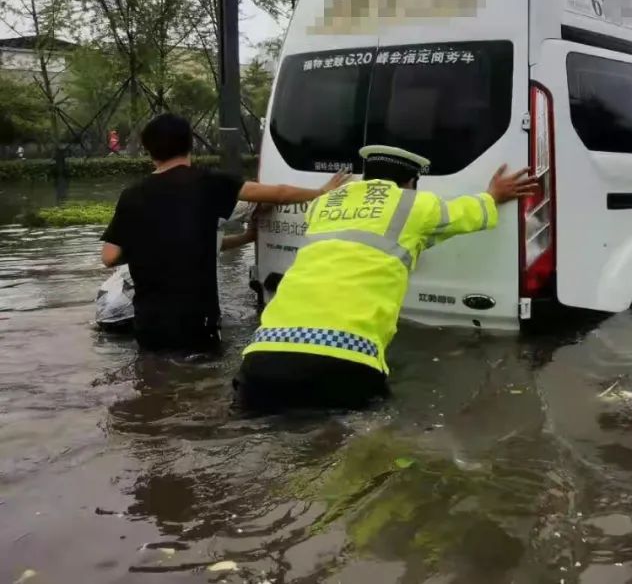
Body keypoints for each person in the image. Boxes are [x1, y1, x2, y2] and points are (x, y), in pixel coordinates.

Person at [233, 145, 538, 413]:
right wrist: (493, 195)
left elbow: (381, 236)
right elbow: (468, 213)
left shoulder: (324, 204)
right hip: (343, 358)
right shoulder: (414, 204)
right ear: (411, 182)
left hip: (262, 359)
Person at [100, 113, 348, 353]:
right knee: (201, 377)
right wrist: (321, 193)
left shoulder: (131, 195)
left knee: (153, 375)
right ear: (190, 144)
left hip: (148, 325)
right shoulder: (209, 181)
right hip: (197, 324)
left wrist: (150, 249)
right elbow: (278, 194)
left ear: (148, 150)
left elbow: (109, 257)